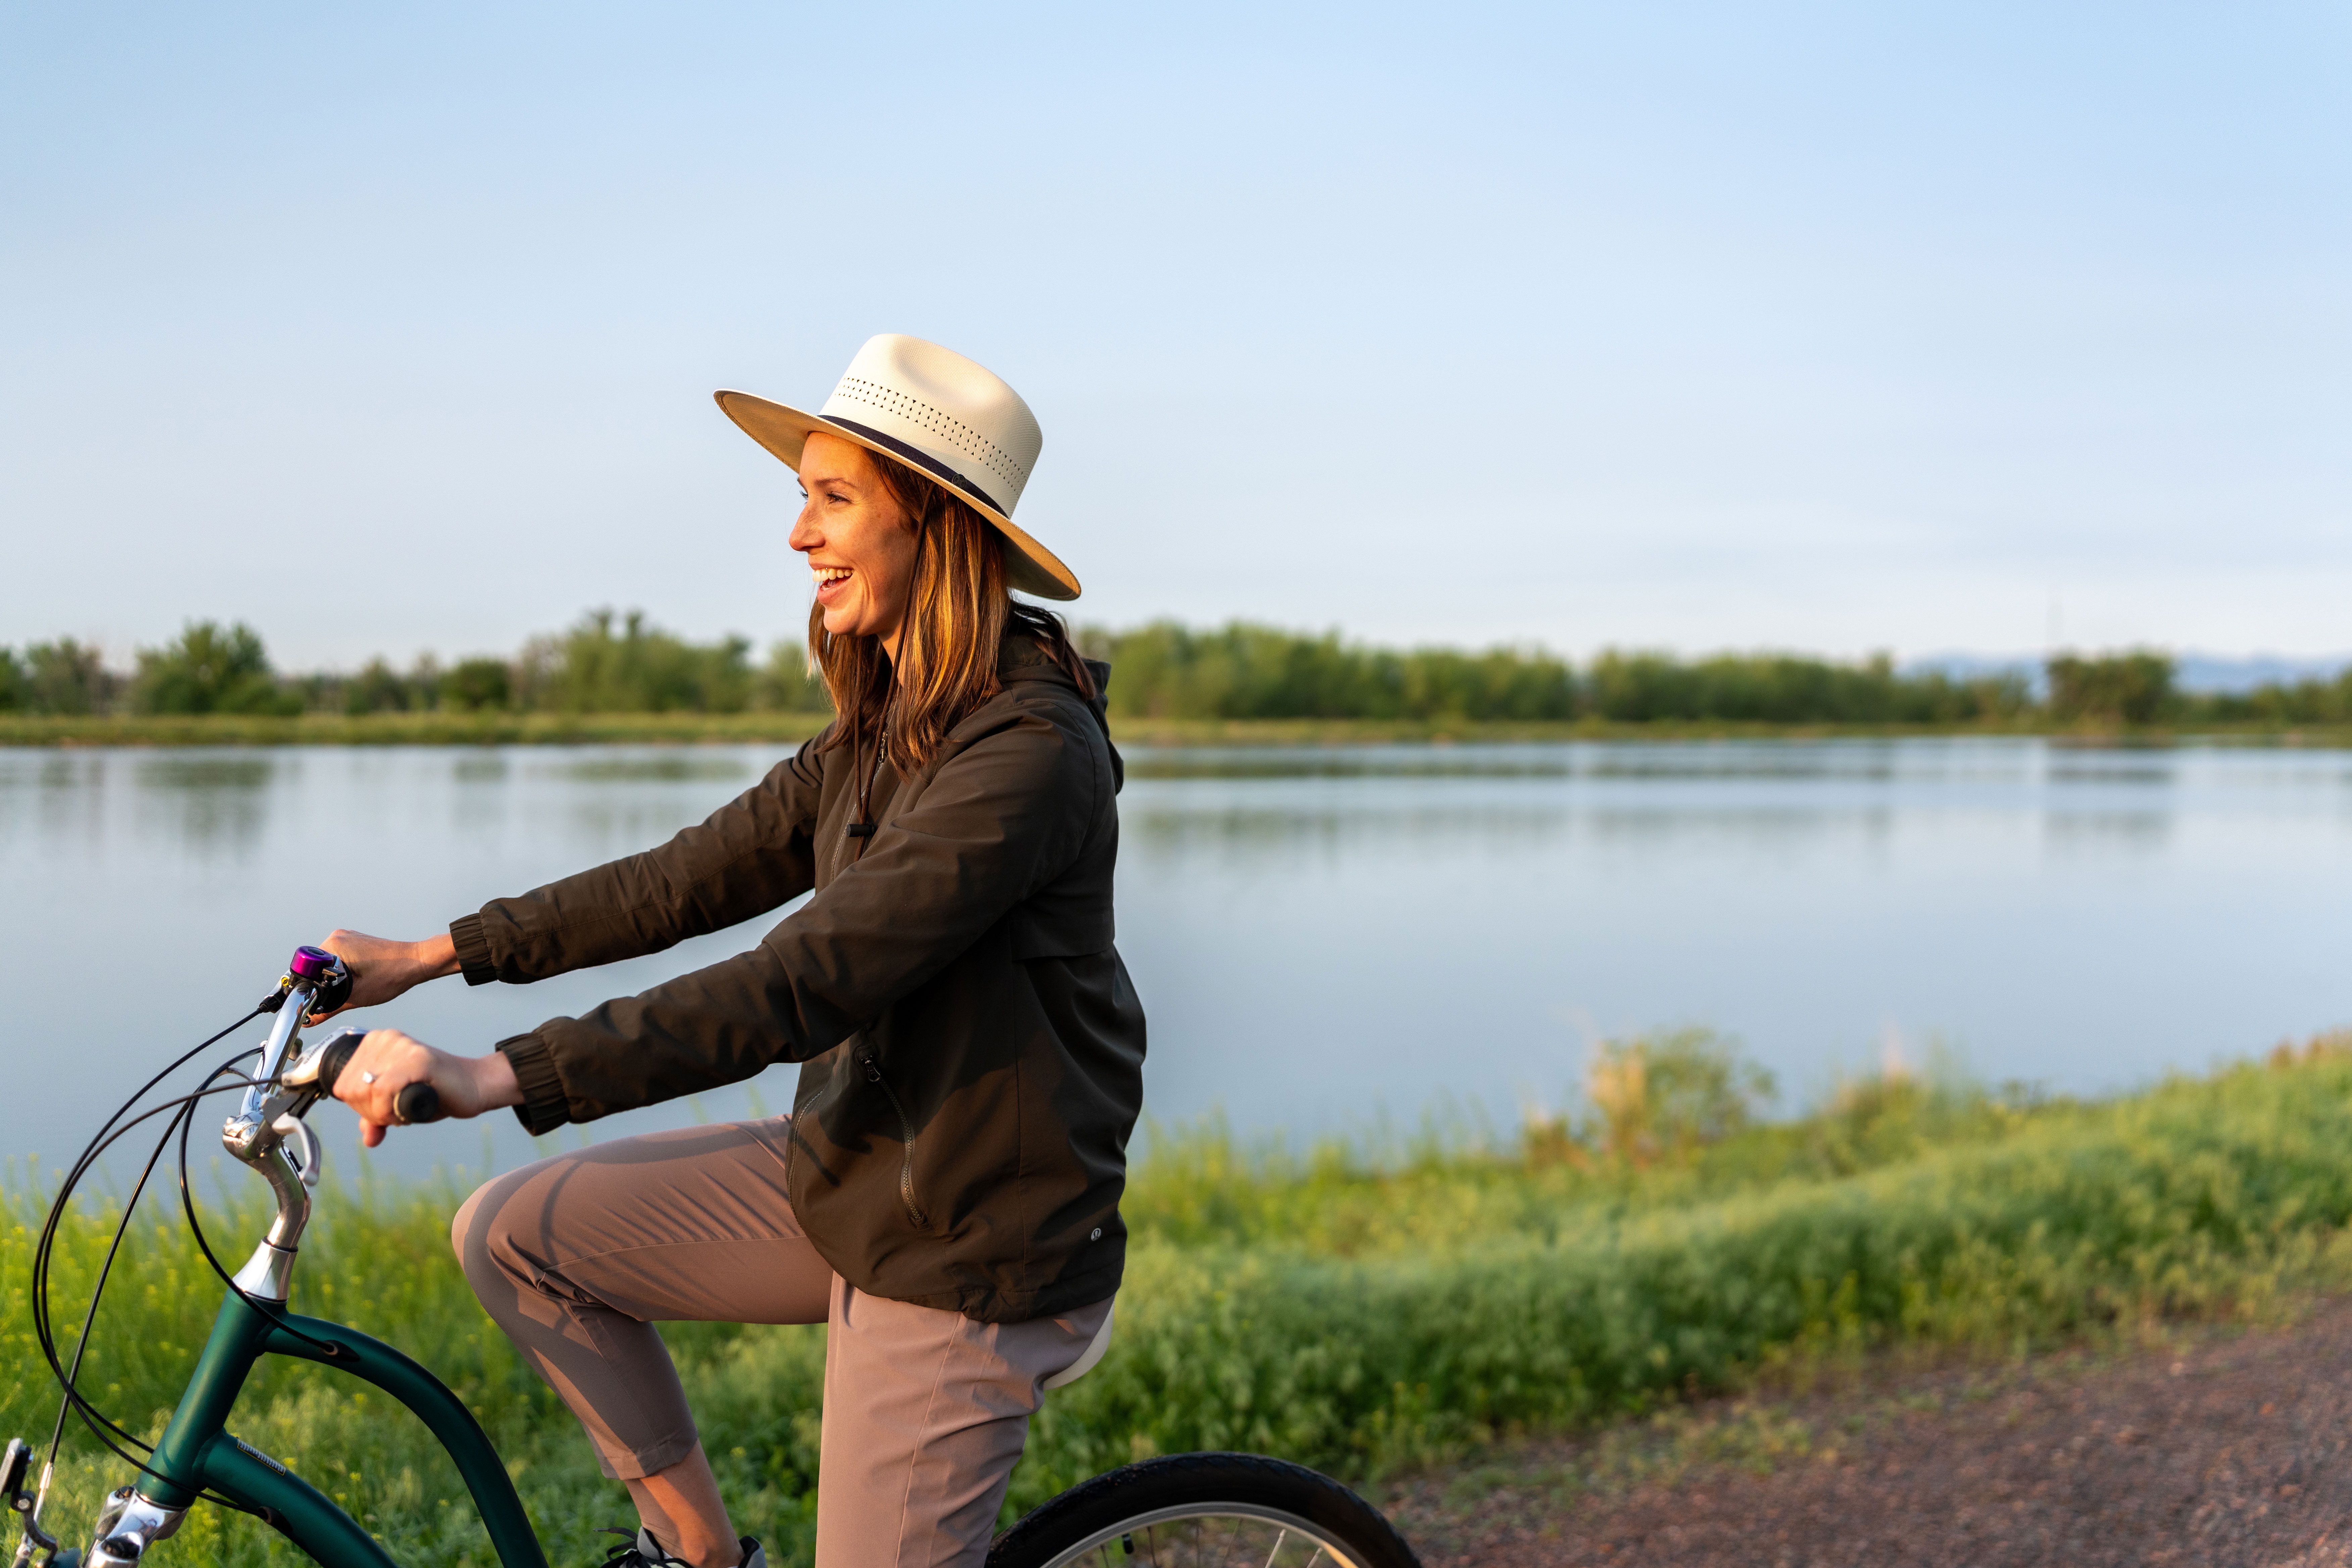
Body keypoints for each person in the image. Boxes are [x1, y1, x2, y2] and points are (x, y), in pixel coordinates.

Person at [309, 336, 1146, 1568]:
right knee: (518, 1239)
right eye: (800, 496)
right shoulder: (882, 727)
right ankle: (700, 1557)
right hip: (858, 1172)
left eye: (833, 498)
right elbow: (680, 881)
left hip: (971, 1240)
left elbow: (806, 978)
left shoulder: (1027, 754)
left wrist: (504, 1076)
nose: (799, 535)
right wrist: (430, 955)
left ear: (937, 529)